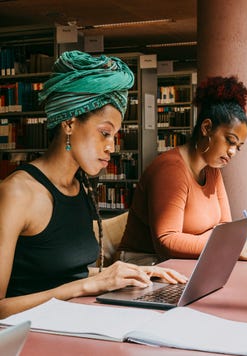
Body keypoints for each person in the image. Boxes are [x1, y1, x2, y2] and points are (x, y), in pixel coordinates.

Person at [0, 51, 187, 319]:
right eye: (104, 133)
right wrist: (85, 285)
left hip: (76, 322)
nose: (111, 147)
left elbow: (63, 272)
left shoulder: (80, 187)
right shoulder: (17, 193)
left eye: (115, 136)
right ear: (69, 123)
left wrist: (127, 273)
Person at [118, 76, 247, 265]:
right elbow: (167, 240)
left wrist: (219, 242)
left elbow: (223, 226)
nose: (232, 152)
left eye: (238, 147)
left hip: (186, 261)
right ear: (206, 128)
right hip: (145, 265)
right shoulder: (171, 170)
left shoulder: (212, 169)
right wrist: (229, 246)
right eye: (230, 141)